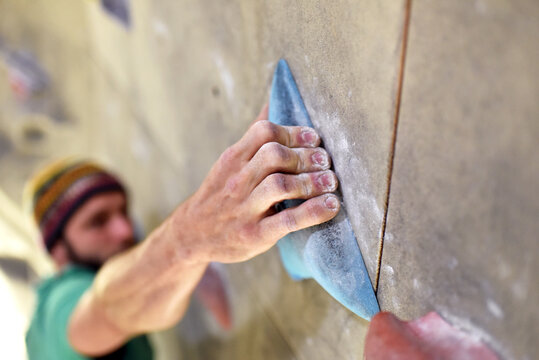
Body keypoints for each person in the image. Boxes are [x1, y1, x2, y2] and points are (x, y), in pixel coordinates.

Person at [24, 104, 341, 359]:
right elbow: (105, 309)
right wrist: (188, 240)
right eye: (97, 221)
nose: (123, 229)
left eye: (122, 211)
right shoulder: (57, 310)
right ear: (58, 250)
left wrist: (185, 263)